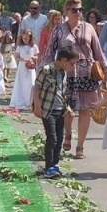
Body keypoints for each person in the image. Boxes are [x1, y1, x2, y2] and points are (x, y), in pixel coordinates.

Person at [45, 0, 107, 160]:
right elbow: (50, 51)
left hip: (87, 73)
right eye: (74, 10)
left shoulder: (89, 28)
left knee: (86, 111)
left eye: (80, 9)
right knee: (67, 109)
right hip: (66, 74)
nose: (78, 12)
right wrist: (46, 70)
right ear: (66, 11)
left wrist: (105, 70)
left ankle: (80, 146)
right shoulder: (59, 29)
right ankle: (68, 133)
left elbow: (98, 50)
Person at [33, 46, 76, 179]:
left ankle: (55, 164)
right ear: (63, 59)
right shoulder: (46, 70)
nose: (72, 66)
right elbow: (36, 88)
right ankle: (48, 167)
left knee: (59, 138)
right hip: (48, 110)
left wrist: (68, 107)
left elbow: (61, 92)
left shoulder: (63, 73)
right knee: (52, 138)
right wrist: (37, 106)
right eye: (71, 63)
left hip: (60, 110)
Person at [8, 29, 38, 110]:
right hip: (22, 67)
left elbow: (38, 56)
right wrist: (23, 60)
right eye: (24, 38)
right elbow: (16, 56)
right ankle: (20, 101)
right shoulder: (20, 47)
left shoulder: (34, 47)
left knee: (31, 84)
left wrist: (32, 58)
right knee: (21, 84)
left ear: (30, 38)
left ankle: (29, 102)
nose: (25, 40)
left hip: (31, 68)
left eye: (27, 38)